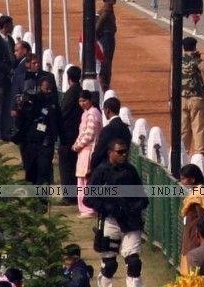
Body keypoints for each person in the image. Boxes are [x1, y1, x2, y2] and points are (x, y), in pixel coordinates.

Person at [87, 138, 147, 287]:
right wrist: (107, 207)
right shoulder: (101, 172)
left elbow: (143, 198)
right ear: (110, 153)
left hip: (131, 223)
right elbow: (88, 199)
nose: (124, 155)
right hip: (110, 221)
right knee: (109, 265)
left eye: (126, 151)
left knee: (134, 263)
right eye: (120, 152)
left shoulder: (130, 171)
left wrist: (135, 207)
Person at [15, 71, 60, 185]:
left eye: (50, 89)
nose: (48, 91)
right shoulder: (32, 102)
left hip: (45, 143)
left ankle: (43, 200)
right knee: (31, 173)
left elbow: (56, 123)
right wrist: (21, 108)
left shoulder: (53, 104)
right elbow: (20, 122)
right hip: (30, 144)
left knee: (44, 173)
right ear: (39, 87)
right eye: (46, 89)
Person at [177, 163, 204, 273]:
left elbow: (203, 220)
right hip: (192, 238)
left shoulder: (199, 195)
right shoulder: (197, 192)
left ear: (192, 179)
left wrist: (199, 241)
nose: (181, 182)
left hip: (196, 241)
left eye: (183, 179)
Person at [73, 89, 103, 216]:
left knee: (85, 179)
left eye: (84, 101)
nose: (81, 103)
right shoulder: (88, 113)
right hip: (85, 149)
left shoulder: (92, 114)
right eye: (80, 101)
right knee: (82, 179)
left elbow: (89, 134)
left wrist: (77, 146)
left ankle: (88, 208)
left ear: (90, 100)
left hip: (88, 150)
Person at [180, 35, 204, 157]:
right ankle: (200, 161)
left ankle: (182, 159)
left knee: (183, 130)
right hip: (196, 99)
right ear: (194, 47)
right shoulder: (198, 62)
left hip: (181, 99)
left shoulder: (178, 61)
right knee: (199, 130)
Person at [57, 65, 84, 204]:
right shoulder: (80, 91)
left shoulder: (71, 93)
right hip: (76, 135)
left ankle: (69, 196)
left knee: (66, 166)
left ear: (68, 78)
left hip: (68, 136)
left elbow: (63, 112)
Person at [96, 0, 118, 90]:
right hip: (107, 39)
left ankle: (105, 82)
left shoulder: (108, 9)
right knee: (106, 62)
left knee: (107, 61)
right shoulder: (106, 11)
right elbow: (98, 25)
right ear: (109, 0)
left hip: (108, 37)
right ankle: (105, 83)